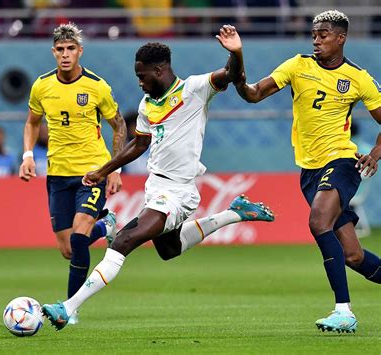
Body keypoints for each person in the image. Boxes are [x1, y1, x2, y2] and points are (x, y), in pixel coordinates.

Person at [42, 25, 275, 330]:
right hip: (156, 187)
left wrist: (236, 52)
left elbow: (231, 75)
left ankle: (67, 307)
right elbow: (139, 144)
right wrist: (104, 170)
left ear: (159, 69)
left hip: (178, 192)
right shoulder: (146, 105)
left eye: (142, 76)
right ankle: (235, 212)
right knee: (169, 249)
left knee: (123, 241)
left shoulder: (194, 88)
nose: (139, 82)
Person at [232, 10, 381, 333]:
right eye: (314, 34)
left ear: (341, 38)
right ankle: (345, 307)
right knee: (353, 256)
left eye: (324, 34)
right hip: (309, 171)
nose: (316, 40)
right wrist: (237, 66)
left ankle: (344, 311)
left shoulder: (358, 78)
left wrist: (376, 153)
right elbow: (254, 94)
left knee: (318, 222)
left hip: (342, 162)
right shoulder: (297, 66)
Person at [19, 23, 127, 324]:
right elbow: (31, 123)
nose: (65, 55)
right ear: (53, 52)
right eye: (60, 50)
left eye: (70, 49)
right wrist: (28, 156)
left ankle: (70, 309)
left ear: (80, 51)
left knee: (79, 240)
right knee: (68, 249)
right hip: (57, 174)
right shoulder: (42, 86)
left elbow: (119, 125)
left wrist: (113, 168)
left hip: (91, 172)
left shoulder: (97, 86)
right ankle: (106, 226)